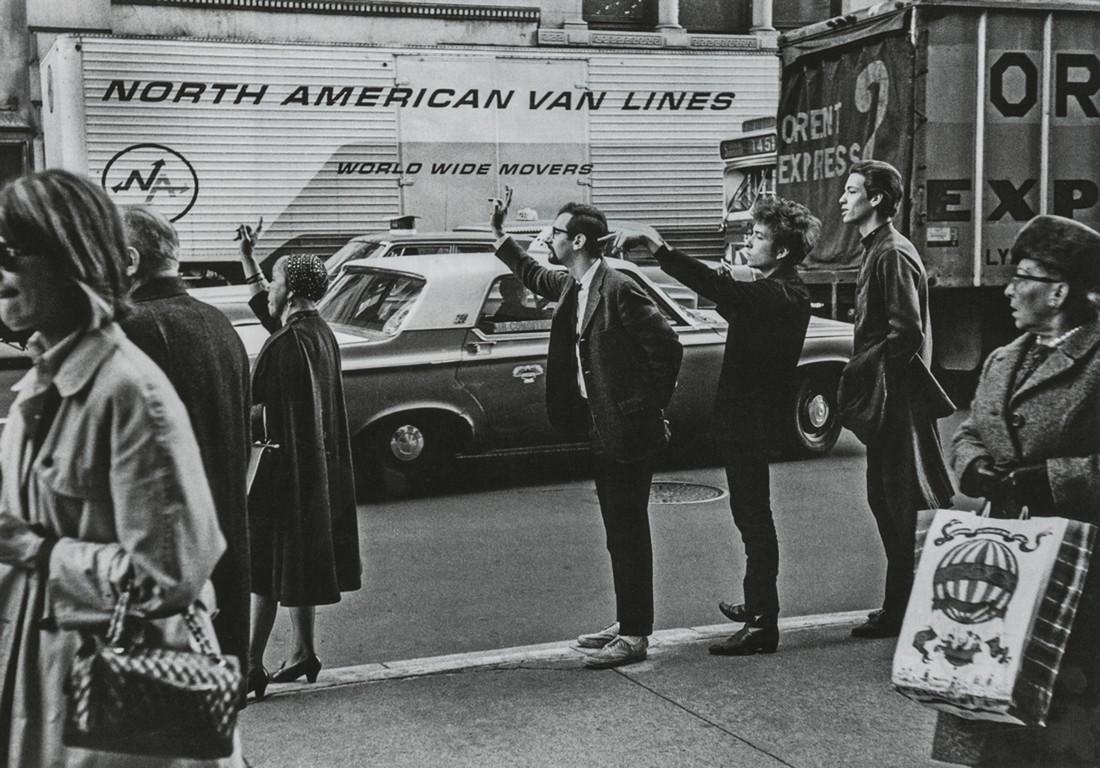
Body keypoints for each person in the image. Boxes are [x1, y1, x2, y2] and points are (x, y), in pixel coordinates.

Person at [0, 169, 240, 765]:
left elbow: (169, 576)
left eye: (11, 251)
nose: (0, 272)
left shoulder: (129, 393)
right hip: (47, 677)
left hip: (119, 709)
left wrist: (38, 553)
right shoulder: (44, 381)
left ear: (72, 260)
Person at [608, 196, 819, 655]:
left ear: (782, 250)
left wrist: (658, 246)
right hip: (745, 421)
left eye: (758, 236)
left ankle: (763, 621)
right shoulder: (776, 289)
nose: (749, 241)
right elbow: (731, 298)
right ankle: (758, 602)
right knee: (751, 517)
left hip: (751, 424)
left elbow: (717, 287)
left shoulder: (780, 292)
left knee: (754, 519)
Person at [932, 214, 1100, 767]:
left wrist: (1053, 478)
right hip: (1007, 560)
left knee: (1068, 723)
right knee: (995, 698)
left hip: (1082, 570)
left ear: (1059, 290)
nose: (1008, 289)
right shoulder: (1006, 356)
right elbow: (973, 427)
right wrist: (973, 464)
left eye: (1022, 276)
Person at [490, 187, 683, 669]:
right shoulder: (576, 285)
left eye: (554, 232)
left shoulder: (618, 287)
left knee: (629, 528)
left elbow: (668, 348)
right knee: (618, 530)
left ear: (577, 241)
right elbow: (534, 274)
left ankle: (636, 634)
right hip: (599, 426)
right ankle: (627, 619)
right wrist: (499, 235)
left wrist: (640, 406)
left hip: (627, 429)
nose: (546, 238)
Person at [119, 205, 252, 705]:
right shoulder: (220, 325)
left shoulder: (134, 330)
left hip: (170, 577)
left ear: (130, 261)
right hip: (224, 558)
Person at [237, 224, 361, 693]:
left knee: (266, 568)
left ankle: (250, 664)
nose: (268, 288)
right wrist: (250, 261)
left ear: (288, 291)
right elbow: (272, 315)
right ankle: (302, 652)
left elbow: (254, 410)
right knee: (294, 564)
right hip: (315, 469)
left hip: (282, 472)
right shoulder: (317, 333)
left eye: (272, 280)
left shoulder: (285, 345)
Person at [837, 160, 955, 639]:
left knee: (899, 502)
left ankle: (901, 608)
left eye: (851, 191)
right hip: (891, 394)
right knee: (886, 500)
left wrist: (865, 372)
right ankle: (899, 604)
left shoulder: (891, 253)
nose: (844, 199)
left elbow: (905, 333)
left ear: (877, 199)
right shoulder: (878, 250)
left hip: (897, 397)